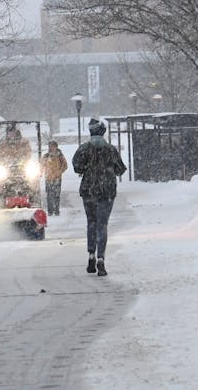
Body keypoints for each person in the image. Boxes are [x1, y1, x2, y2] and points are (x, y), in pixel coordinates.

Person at [72, 116, 126, 277]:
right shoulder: (111, 149)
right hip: (107, 191)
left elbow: (77, 167)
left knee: (91, 222)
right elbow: (120, 169)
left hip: (88, 190)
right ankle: (101, 259)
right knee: (102, 224)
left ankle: (90, 255)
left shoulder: (83, 149)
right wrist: (108, 169)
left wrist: (88, 168)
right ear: (102, 131)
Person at [41, 140, 68, 216]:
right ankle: (50, 211)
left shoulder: (60, 156)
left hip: (57, 178)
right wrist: (40, 172)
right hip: (48, 178)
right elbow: (42, 166)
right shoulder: (46, 156)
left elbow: (65, 165)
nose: (52, 148)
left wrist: (59, 171)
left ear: (56, 147)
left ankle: (56, 210)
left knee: (56, 195)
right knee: (49, 195)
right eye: (50, 146)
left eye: (53, 146)